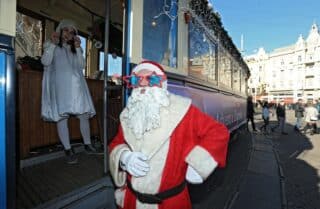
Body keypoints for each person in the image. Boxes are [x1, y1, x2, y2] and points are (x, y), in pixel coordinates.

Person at [108, 61, 230, 209]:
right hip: (132, 201)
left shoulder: (182, 110)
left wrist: (198, 164)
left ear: (163, 84)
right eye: (136, 80)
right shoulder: (129, 114)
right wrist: (124, 157)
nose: (143, 84)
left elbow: (218, 132)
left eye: (151, 79)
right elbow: (116, 143)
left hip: (170, 203)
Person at [41, 19, 97, 164]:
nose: (69, 34)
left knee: (84, 115)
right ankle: (67, 149)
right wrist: (53, 44)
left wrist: (78, 48)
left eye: (72, 32)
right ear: (60, 30)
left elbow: (81, 66)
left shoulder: (75, 49)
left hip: (77, 86)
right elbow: (45, 62)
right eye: (66, 30)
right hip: (60, 87)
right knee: (62, 117)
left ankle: (87, 144)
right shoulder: (50, 45)